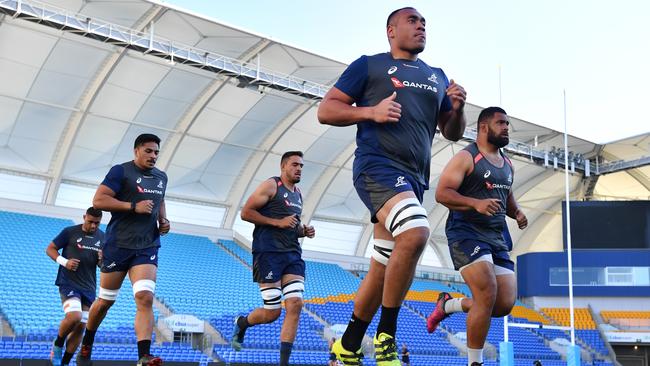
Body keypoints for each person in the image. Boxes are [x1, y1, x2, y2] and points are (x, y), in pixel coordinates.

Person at [317, 6, 466, 366]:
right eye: (413, 21)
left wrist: (459, 108)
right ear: (391, 30)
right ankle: (386, 337)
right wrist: (370, 112)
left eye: (424, 23)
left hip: (414, 179)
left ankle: (349, 345)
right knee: (416, 233)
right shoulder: (369, 65)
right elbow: (327, 109)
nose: (421, 27)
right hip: (377, 167)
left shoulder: (437, 75)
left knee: (381, 266)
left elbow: (452, 132)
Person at [426, 107, 528, 366]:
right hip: (467, 233)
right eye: (501, 123)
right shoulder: (466, 157)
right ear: (484, 127)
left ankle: (448, 305)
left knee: (504, 305)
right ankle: (475, 362)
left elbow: (507, 198)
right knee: (486, 293)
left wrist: (516, 213)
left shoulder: (507, 164)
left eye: (507, 123)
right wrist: (474, 203)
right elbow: (442, 193)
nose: (506, 128)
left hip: (496, 237)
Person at [77, 133, 170, 366]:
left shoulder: (161, 177)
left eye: (156, 152)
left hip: (146, 246)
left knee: (145, 297)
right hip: (117, 245)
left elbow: (160, 199)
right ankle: (87, 342)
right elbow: (99, 200)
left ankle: (143, 356)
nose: (153, 156)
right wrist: (132, 206)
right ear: (136, 151)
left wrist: (163, 219)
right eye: (148, 151)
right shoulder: (121, 171)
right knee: (105, 302)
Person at [230, 151, 315, 366]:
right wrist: (278, 223)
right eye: (295, 164)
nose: (299, 169)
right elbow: (246, 213)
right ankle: (242, 323)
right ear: (283, 166)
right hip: (268, 253)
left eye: (302, 166)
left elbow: (291, 226)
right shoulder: (271, 186)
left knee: (295, 304)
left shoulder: (298, 194)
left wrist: (303, 231)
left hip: (292, 254)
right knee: (273, 312)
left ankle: (283, 363)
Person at [47, 207, 104, 366]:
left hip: (89, 287)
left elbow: (103, 265)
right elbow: (50, 248)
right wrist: (65, 262)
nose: (93, 226)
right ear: (84, 217)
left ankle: (64, 362)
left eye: (97, 223)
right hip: (69, 283)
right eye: (90, 221)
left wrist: (102, 261)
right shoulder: (70, 232)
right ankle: (57, 346)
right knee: (74, 316)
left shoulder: (103, 237)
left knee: (81, 327)